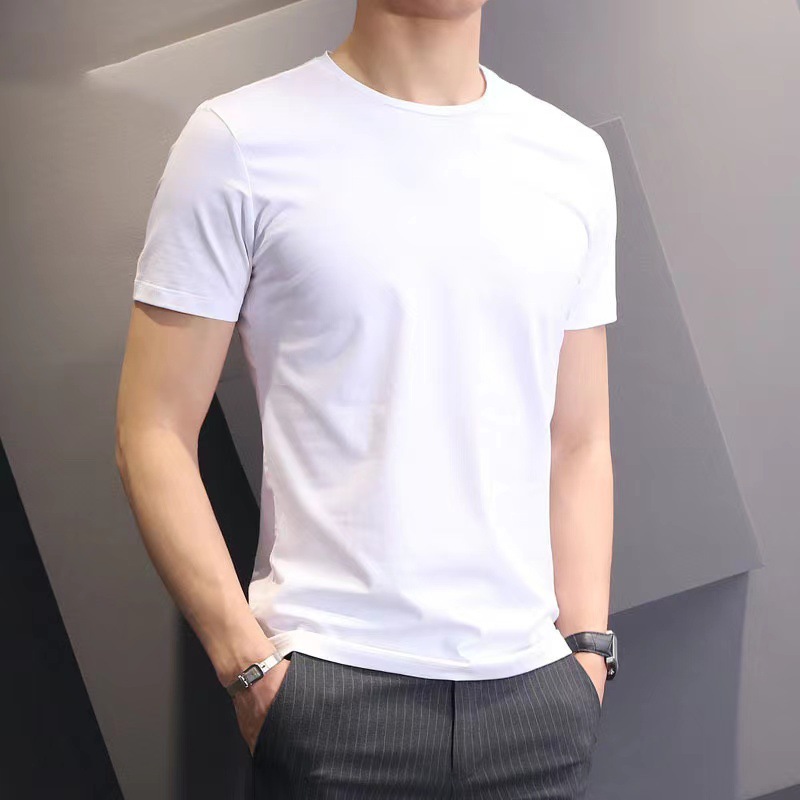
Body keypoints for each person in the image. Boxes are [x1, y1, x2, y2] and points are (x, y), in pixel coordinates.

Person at [116, 1, 619, 797]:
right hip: (330, 694)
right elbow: (153, 430)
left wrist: (587, 650)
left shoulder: (571, 158)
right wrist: (247, 666)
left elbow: (580, 438)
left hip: (534, 702)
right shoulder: (238, 142)